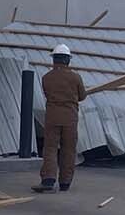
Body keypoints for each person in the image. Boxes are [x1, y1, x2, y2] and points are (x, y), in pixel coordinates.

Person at [32, 43, 87, 193]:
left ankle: (48, 179)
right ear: (68, 60)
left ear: (54, 60)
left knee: (50, 148)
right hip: (70, 117)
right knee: (68, 149)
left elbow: (48, 94)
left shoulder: (46, 78)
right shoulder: (75, 77)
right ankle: (65, 182)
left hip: (52, 116)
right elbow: (82, 96)